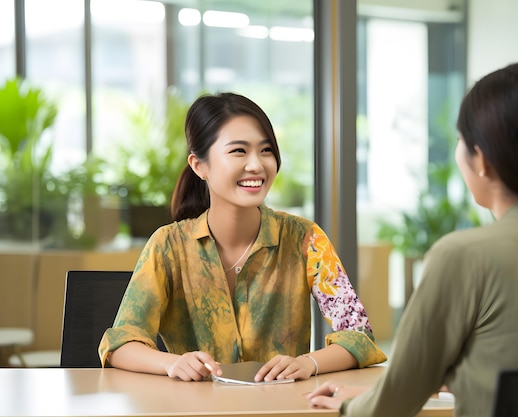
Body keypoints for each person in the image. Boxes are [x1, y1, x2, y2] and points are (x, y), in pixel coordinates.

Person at [308, 62, 518, 416]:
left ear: (483, 160)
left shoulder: (463, 256)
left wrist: (350, 406)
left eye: (461, 140)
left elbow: (395, 401)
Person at [99, 92, 387, 382]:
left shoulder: (305, 238)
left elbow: (358, 336)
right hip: (195, 412)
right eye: (239, 151)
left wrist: (309, 363)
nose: (256, 165)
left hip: (279, 410)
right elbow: (121, 344)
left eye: (265, 150)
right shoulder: (168, 245)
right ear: (200, 166)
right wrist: (172, 363)